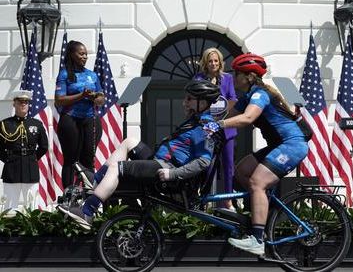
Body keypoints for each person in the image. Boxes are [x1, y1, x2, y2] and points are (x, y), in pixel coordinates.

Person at [58, 80, 220, 230]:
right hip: (161, 160)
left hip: (168, 169)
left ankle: (87, 211)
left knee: (116, 168)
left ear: (203, 103)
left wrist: (173, 174)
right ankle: (96, 180)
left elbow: (203, 161)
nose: (185, 102)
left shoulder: (205, 128)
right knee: (129, 142)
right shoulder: (195, 120)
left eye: (190, 99)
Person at [206, 53, 309, 255]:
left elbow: (247, 118)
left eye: (237, 74)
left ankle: (258, 239)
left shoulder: (259, 94)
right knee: (241, 171)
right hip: (278, 145)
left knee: (257, 182)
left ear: (249, 76)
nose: (233, 78)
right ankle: (265, 211)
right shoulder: (248, 96)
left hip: (292, 145)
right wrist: (201, 112)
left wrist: (218, 125)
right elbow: (228, 111)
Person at [54, 40, 105, 189]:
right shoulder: (64, 74)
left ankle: (89, 194)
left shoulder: (92, 75)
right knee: (71, 160)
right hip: (70, 120)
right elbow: (59, 100)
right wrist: (81, 95)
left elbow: (101, 99)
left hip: (90, 119)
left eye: (86, 54)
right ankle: (69, 196)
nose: (85, 57)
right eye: (81, 54)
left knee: (88, 159)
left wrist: (95, 97)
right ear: (72, 54)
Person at [194, 47, 237, 210]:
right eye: (210, 60)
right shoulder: (198, 78)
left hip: (226, 128)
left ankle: (228, 200)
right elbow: (194, 99)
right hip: (206, 129)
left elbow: (233, 98)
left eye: (216, 61)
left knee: (228, 166)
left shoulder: (227, 78)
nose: (213, 63)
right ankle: (203, 200)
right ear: (206, 62)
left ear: (220, 63)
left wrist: (223, 112)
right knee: (206, 164)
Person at [0, 90, 48, 210]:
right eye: (20, 101)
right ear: (14, 103)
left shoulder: (36, 124)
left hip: (30, 168)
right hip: (11, 168)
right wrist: (8, 159)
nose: (23, 104)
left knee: (32, 206)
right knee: (9, 207)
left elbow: (44, 146)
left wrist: (32, 158)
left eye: (26, 102)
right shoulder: (5, 124)